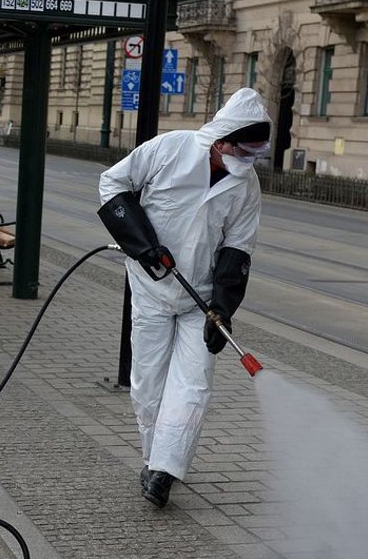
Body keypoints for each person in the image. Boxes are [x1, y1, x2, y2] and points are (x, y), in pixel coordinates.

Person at [97, 88, 271, 507]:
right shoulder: (169, 149)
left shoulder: (246, 185)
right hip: (152, 287)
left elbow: (238, 247)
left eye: (253, 155)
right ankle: (152, 457)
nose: (245, 162)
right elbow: (112, 183)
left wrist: (223, 308)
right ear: (222, 139)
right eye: (242, 151)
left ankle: (164, 472)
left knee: (192, 386)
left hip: (201, 300)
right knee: (148, 381)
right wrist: (142, 242)